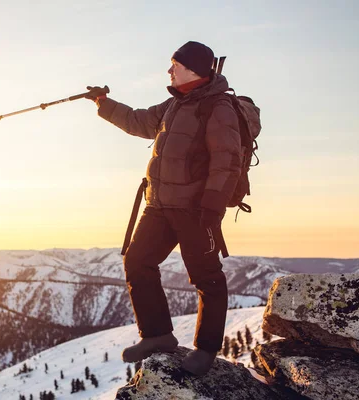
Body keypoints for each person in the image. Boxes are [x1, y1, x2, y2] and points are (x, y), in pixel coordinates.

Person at [85, 41, 241, 376]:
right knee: (138, 262)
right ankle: (157, 335)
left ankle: (206, 348)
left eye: (175, 65)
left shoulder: (218, 108)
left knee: (207, 278)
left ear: (194, 70)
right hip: (159, 205)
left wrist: (212, 207)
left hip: (196, 210)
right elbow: (138, 121)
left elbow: (227, 161)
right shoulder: (174, 104)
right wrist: (103, 102)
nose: (169, 70)